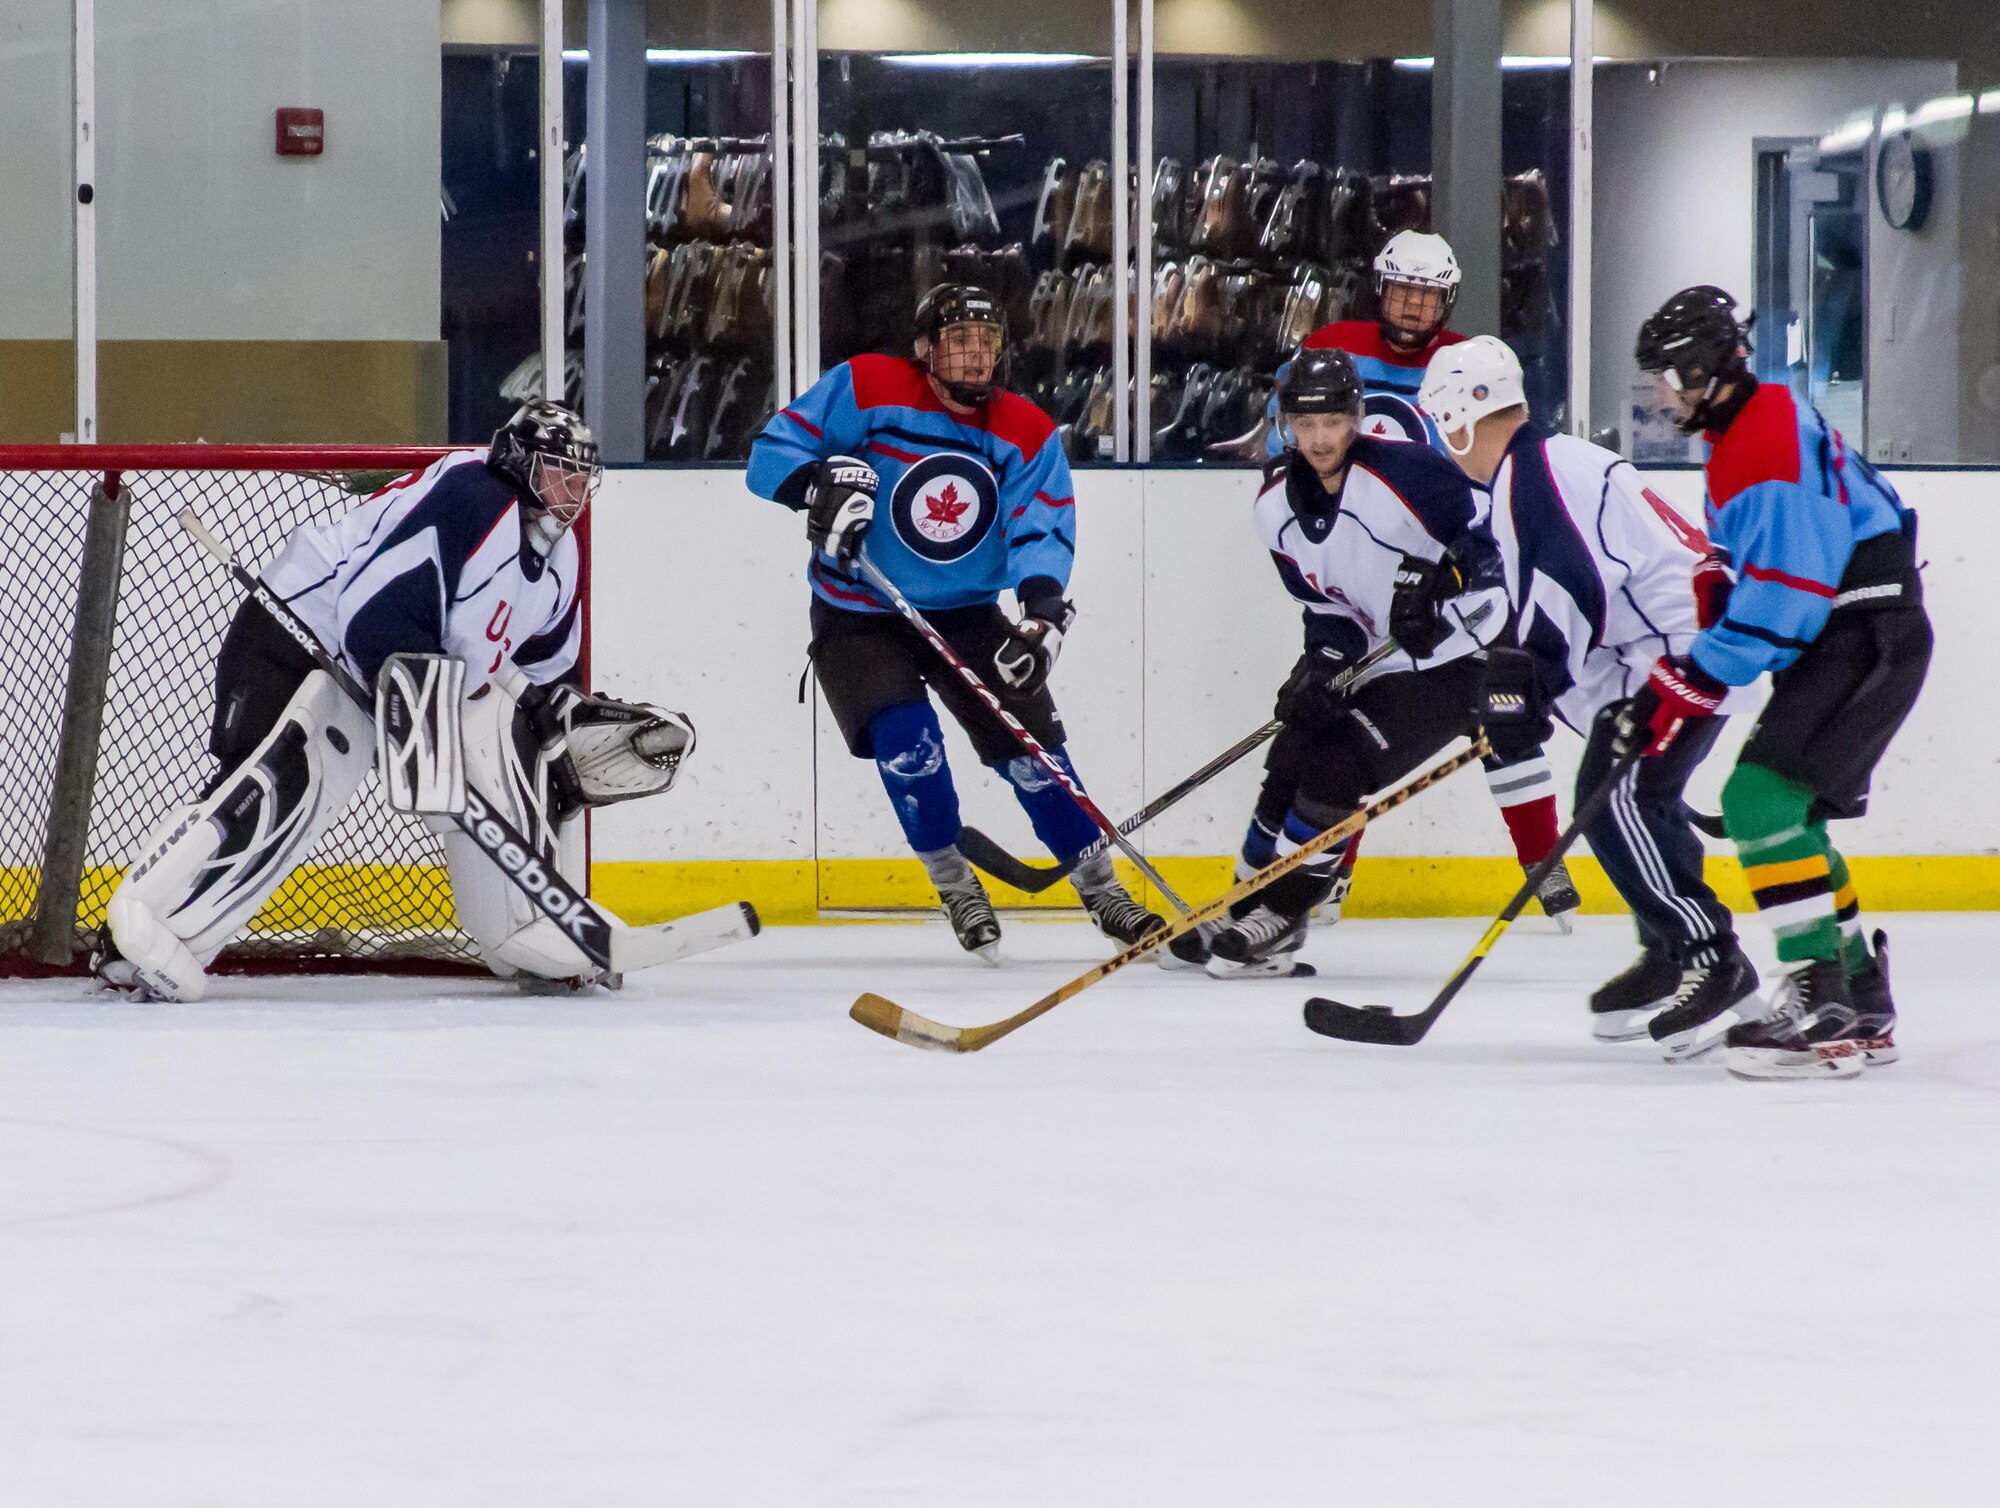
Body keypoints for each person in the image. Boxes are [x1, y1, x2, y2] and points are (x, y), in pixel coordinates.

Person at [97, 401, 699, 1000]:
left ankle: (531, 929)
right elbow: (373, 616)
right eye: (556, 472)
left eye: (580, 478)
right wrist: (422, 731)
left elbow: (540, 673)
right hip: (296, 631)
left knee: (470, 764)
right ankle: (136, 934)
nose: (570, 492)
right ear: (518, 464)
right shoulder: (476, 496)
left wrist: (552, 720)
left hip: (381, 661)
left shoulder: (562, 559)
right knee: (278, 786)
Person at [745, 282, 1161, 961]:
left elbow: (1040, 528)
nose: (975, 356)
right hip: (860, 611)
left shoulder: (1024, 428)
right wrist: (817, 488)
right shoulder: (868, 385)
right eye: (960, 341)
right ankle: (953, 880)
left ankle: (1103, 890)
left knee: (1035, 756)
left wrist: (1040, 616)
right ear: (925, 348)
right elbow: (770, 456)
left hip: (969, 613)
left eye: (987, 342)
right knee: (909, 746)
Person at [1419, 336, 1755, 1056]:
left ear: (1456, 417)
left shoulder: (1531, 475)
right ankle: (1672, 953)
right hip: (1679, 648)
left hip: (1682, 656)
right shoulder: (1537, 466)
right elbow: (1551, 571)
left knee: (1619, 799)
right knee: (1643, 801)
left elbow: (1572, 581)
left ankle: (1711, 957)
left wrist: (1526, 678)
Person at [1629, 286, 1930, 1079]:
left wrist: (1691, 676)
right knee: (1788, 811)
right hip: (1872, 632)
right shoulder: (1762, 421)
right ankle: (1859, 992)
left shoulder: (1759, 442)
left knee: (1757, 801)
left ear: (1705, 370)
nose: (1664, 394)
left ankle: (1816, 993)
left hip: (1860, 634)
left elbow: (1786, 599)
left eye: (1670, 376)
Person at [1258, 228, 1576, 925]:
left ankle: (1542, 864)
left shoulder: (1465, 361)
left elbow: (1497, 457)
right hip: (1367, 556)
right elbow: (1287, 434)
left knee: (1505, 711)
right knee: (1350, 723)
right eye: (1403, 290)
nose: (1412, 307)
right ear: (1381, 287)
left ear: (1448, 300)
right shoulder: (1337, 344)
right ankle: (1333, 872)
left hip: (1450, 553)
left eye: (1428, 295)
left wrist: (1471, 555)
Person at [1183, 345, 1509, 978]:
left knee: (1340, 760)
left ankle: (1281, 915)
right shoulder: (1275, 507)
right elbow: (1330, 608)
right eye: (1305, 425)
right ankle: (1242, 900)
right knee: (1296, 744)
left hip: (1467, 657)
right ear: (1285, 424)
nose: (1320, 438)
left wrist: (1449, 578)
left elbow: (1498, 539)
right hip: (1387, 659)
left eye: (1332, 422)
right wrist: (1324, 663)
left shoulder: (1410, 473)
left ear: (1355, 419)